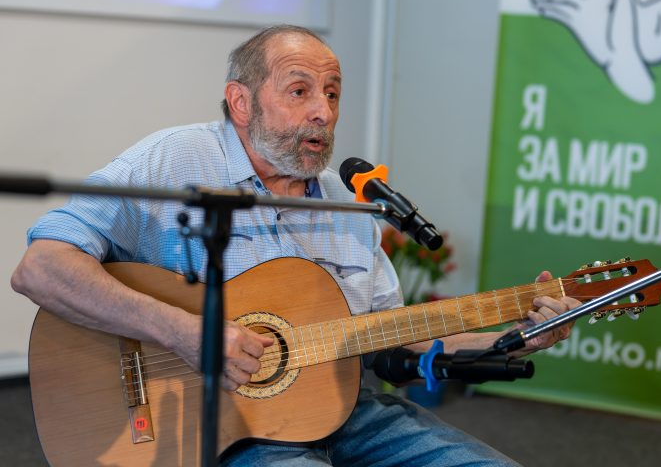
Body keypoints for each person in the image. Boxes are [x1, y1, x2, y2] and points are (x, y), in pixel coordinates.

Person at [12, 24, 580, 466]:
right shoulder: (174, 161)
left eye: (332, 94)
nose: (323, 112)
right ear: (241, 102)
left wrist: (515, 336)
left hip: (351, 412)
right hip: (225, 429)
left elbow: (394, 345)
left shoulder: (346, 204)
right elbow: (41, 267)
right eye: (300, 91)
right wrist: (184, 331)